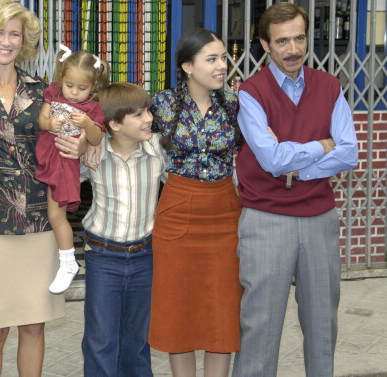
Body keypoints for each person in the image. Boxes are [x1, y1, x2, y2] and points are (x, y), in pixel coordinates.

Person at [0, 0, 87, 376]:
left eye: (14, 34)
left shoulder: (45, 91)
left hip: (39, 220)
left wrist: (81, 144)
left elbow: (75, 137)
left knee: (33, 324)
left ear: (24, 41)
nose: (6, 41)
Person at [232, 2, 358, 376]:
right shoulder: (251, 92)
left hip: (320, 218)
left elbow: (349, 152)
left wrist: (298, 169)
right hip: (266, 219)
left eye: (299, 38)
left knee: (323, 326)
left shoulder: (329, 86)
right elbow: (271, 159)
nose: (293, 49)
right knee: (260, 327)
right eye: (282, 41)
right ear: (265, 44)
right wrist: (322, 145)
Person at [148, 28, 243, 376]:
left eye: (223, 58)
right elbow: (121, 131)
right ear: (188, 66)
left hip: (225, 213)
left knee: (223, 312)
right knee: (179, 314)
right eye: (212, 59)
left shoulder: (235, 103)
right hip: (177, 211)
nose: (222, 66)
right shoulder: (162, 104)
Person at [80, 82, 165, 377]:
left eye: (148, 111)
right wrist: (85, 142)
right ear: (114, 124)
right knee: (101, 338)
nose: (149, 119)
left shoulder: (158, 150)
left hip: (145, 255)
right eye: (138, 114)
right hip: (102, 255)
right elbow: (61, 174)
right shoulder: (93, 152)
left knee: (138, 338)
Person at [36, 47, 107, 294]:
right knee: (54, 214)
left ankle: (68, 262)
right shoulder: (53, 93)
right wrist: (49, 123)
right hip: (47, 155)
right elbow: (41, 121)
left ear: (93, 86)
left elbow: (96, 139)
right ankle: (67, 261)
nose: (74, 93)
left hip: (64, 163)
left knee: (56, 215)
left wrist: (87, 124)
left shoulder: (93, 108)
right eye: (69, 86)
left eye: (82, 88)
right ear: (61, 79)